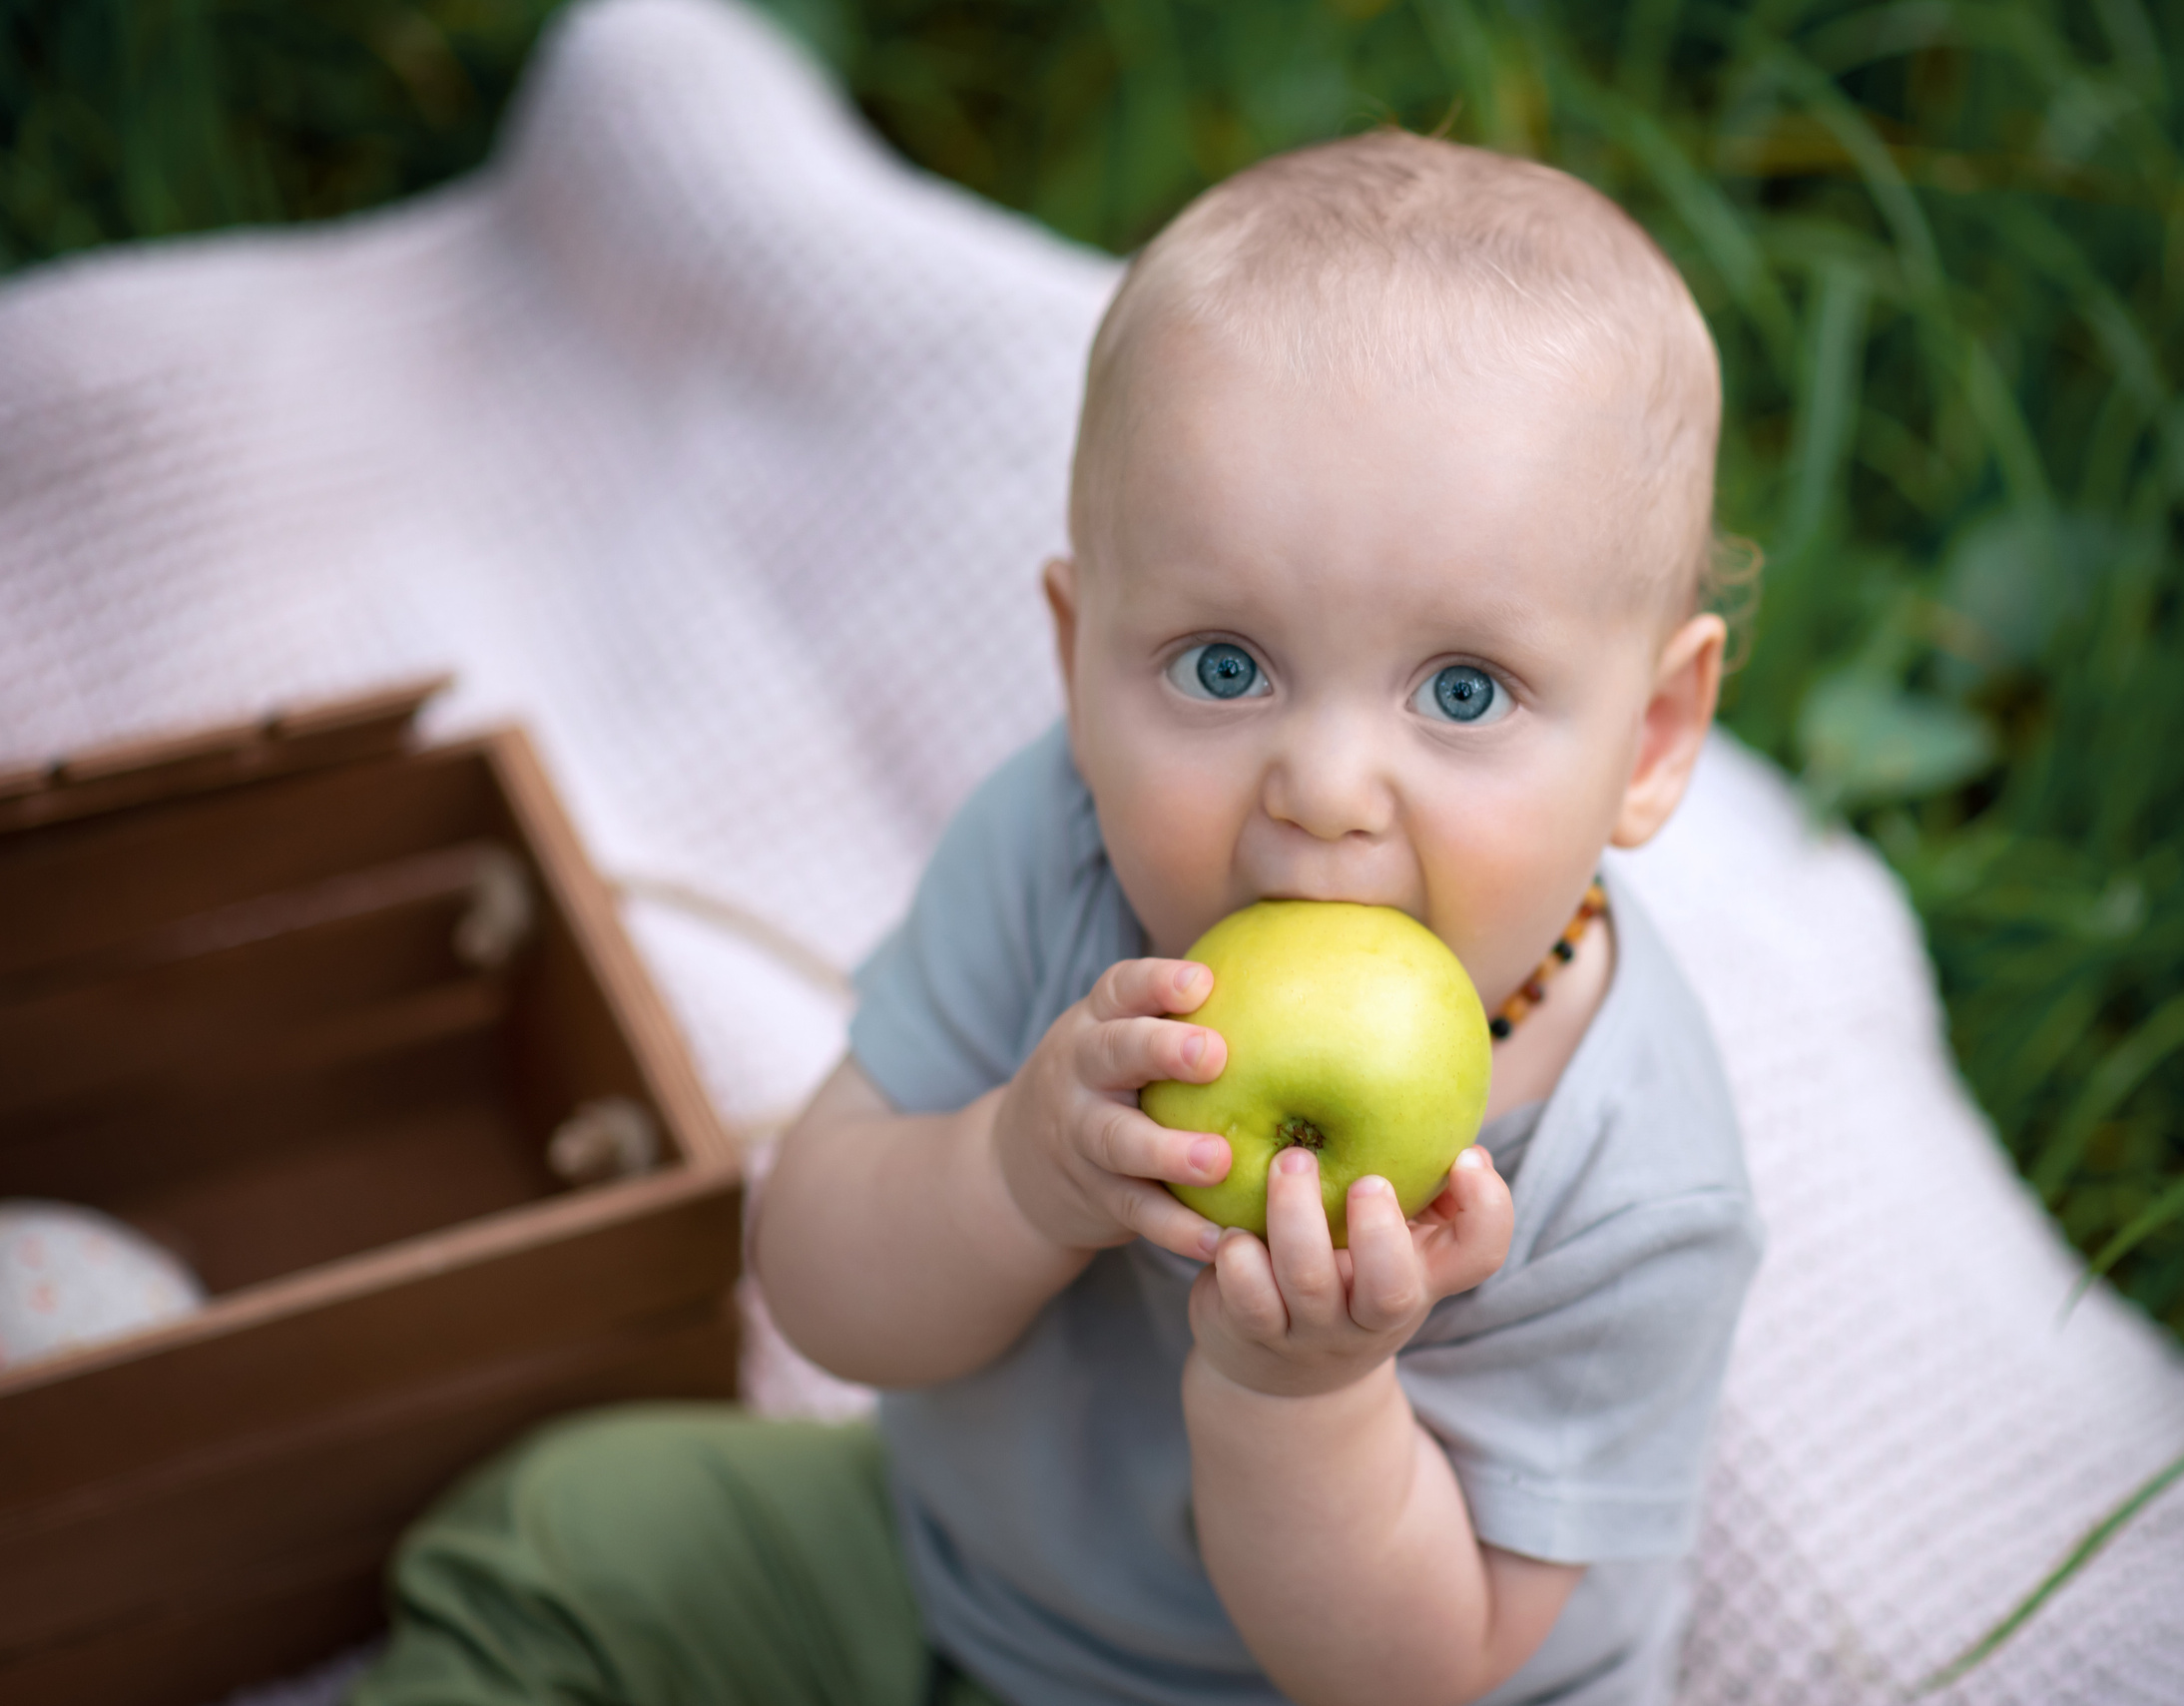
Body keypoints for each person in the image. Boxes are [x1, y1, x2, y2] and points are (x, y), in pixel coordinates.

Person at [355, 129, 1761, 1706]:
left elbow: (1424, 1673)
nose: (1323, 787)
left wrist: (1299, 1389)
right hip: (964, 1575)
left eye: (1462, 690)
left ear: (1649, 739)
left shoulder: (1630, 1181)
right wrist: (1020, 1169)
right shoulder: (1060, 847)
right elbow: (819, 1282)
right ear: (1079, 656)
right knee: (549, 1540)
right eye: (1223, 666)